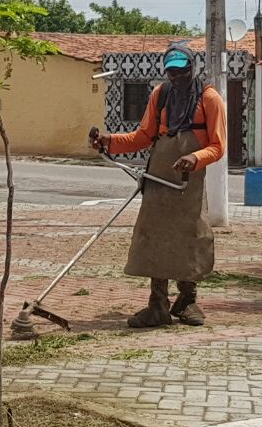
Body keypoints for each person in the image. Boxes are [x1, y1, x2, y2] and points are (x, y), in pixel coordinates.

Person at [90, 42, 227, 328]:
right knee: (156, 237)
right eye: (172, 72)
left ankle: (187, 300)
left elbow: (218, 146)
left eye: (183, 71)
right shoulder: (160, 95)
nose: (178, 77)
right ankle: (157, 306)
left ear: (192, 68)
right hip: (159, 177)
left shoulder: (210, 99)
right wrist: (109, 141)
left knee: (188, 236)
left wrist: (194, 157)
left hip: (188, 181)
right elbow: (143, 137)